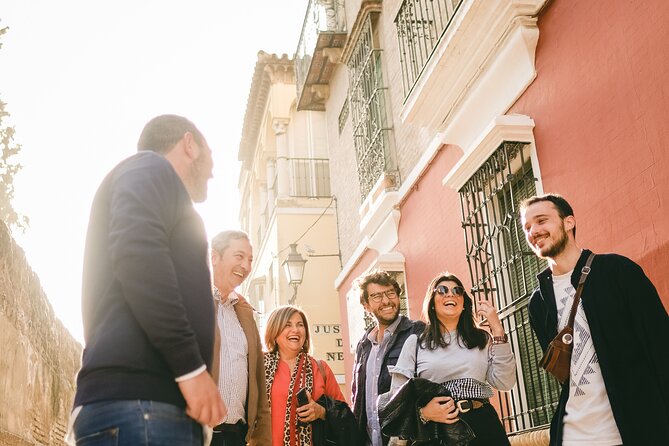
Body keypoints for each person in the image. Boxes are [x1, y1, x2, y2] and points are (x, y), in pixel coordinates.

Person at [70, 114, 226, 446]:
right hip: (143, 407)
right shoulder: (150, 167)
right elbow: (138, 256)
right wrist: (190, 370)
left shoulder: (155, 183)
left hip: (145, 408)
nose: (213, 171)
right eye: (211, 154)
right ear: (189, 144)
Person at [520, 193, 669, 446]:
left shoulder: (618, 272)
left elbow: (661, 345)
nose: (533, 231)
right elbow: (565, 373)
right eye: (527, 227)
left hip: (633, 428)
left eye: (541, 220)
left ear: (569, 222)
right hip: (573, 434)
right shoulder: (538, 301)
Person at [385, 272, 516, 445]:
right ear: (432, 303)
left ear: (463, 304)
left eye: (457, 290)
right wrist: (424, 413)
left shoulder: (482, 339)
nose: (450, 294)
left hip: (482, 426)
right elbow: (397, 400)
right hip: (435, 431)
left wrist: (498, 331)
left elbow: (504, 382)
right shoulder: (416, 342)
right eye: (442, 290)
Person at [210, 230, 271, 445]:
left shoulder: (245, 313)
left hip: (238, 435)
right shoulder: (192, 302)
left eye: (250, 259)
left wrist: (261, 437)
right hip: (200, 433)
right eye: (239, 256)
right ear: (214, 257)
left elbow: (258, 379)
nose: (246, 266)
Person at [350, 270, 425, 446]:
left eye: (390, 293)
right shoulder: (363, 345)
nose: (386, 301)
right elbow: (357, 399)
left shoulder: (418, 332)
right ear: (366, 306)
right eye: (376, 296)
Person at [264, 305, 355, 446]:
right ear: (274, 332)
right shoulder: (259, 368)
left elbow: (344, 416)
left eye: (300, 325)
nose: (295, 330)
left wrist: (321, 411)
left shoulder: (320, 368)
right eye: (287, 325)